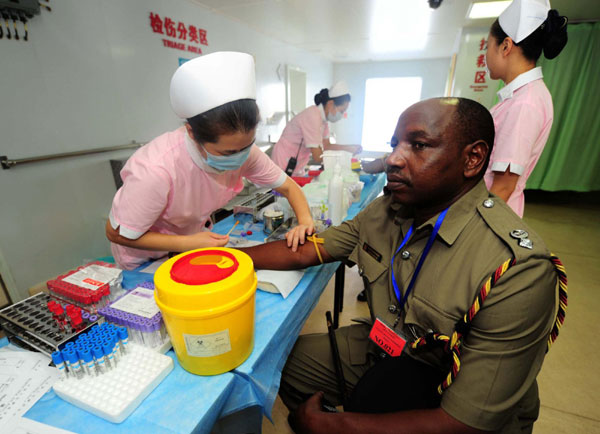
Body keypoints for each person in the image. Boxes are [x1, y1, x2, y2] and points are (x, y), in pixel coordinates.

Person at [242, 97, 565, 433]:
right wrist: (229, 258)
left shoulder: (517, 269)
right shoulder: (387, 210)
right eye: (395, 145)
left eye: (419, 145)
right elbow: (311, 250)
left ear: (472, 159)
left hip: (451, 395)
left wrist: (331, 427)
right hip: (389, 349)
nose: (393, 159)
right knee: (283, 361)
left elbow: (463, 422)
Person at [105, 52, 314, 270]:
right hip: (144, 260)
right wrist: (186, 243)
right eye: (228, 152)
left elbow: (289, 188)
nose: (240, 156)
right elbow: (115, 233)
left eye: (247, 146)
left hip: (190, 244)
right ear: (192, 134)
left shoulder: (245, 153)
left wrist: (305, 222)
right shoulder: (156, 170)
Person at [484, 0, 568, 217]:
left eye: (487, 46)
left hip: (491, 219)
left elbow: (503, 186)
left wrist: (468, 231)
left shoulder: (525, 103)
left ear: (505, 46)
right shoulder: (523, 96)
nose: (485, 56)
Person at [271, 81, 362, 176]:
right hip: (285, 161)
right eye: (341, 111)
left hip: (297, 164)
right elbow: (318, 156)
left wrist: (349, 148)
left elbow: (327, 146)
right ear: (331, 104)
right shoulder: (313, 116)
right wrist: (343, 158)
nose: (342, 115)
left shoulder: (323, 120)